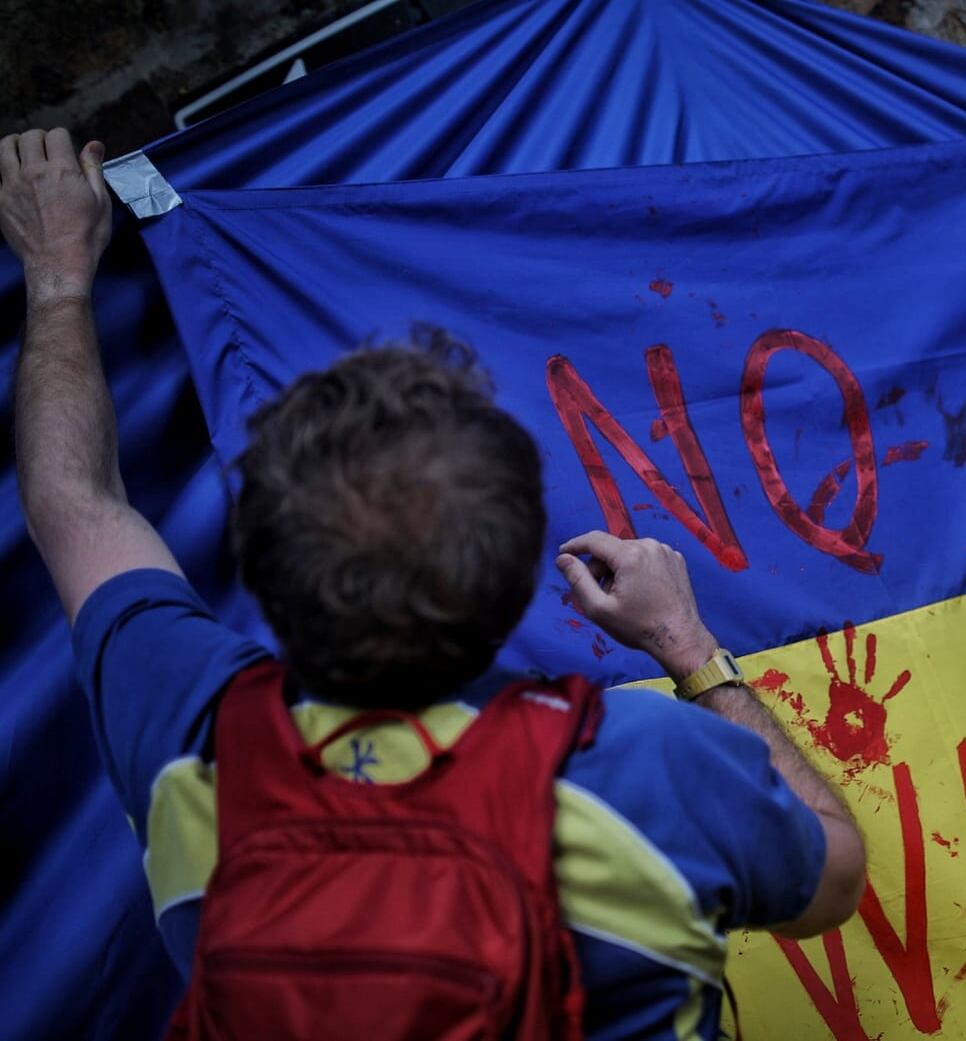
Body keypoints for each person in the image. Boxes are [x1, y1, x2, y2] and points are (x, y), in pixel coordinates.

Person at [0, 125, 866, 1037]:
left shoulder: (185, 733)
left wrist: (57, 278)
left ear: (256, 570)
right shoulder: (648, 764)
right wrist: (689, 649)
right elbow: (834, 878)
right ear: (519, 581)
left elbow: (75, 501)